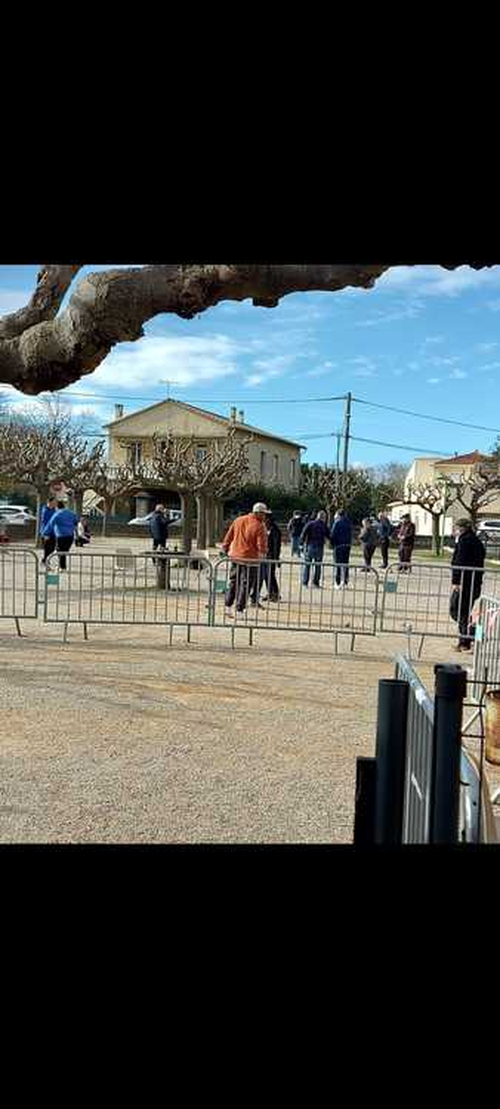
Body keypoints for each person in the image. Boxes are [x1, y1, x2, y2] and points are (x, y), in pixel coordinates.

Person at [221, 502, 269, 616]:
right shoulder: (260, 525)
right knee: (246, 585)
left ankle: (227, 606)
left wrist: (225, 547)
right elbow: (261, 545)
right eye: (264, 514)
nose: (265, 516)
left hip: (235, 556)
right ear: (258, 513)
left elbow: (229, 535)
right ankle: (240, 609)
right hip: (251, 559)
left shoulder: (238, 520)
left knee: (233, 582)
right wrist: (263, 554)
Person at [451, 518, 485, 652]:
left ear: (463, 528)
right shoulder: (476, 541)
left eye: (457, 528)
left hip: (466, 581)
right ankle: (468, 636)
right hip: (474, 582)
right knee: (462, 611)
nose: (455, 530)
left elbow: (459, 561)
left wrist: (456, 580)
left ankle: (467, 638)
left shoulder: (465, 541)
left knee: (458, 610)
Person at [42, 500, 79, 570]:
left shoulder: (57, 514)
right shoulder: (71, 513)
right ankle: (62, 566)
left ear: (57, 507)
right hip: (70, 535)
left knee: (60, 551)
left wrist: (45, 533)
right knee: (64, 551)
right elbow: (76, 521)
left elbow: (50, 524)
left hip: (61, 535)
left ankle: (62, 566)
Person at [300, 510, 331, 588]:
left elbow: (303, 533)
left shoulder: (310, 523)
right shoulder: (324, 526)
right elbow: (329, 536)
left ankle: (305, 582)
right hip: (319, 547)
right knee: (318, 566)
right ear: (324, 518)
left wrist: (301, 543)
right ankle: (315, 582)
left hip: (310, 545)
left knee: (307, 565)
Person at [257, 511, 282, 602]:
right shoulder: (265, 527)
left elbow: (276, 545)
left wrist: (276, 558)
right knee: (267, 575)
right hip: (265, 555)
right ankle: (271, 593)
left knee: (270, 575)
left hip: (271, 555)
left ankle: (274, 593)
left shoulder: (274, 529)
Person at [330, 509, 352, 588]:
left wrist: (332, 544)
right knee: (345, 564)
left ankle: (338, 582)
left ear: (338, 514)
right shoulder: (349, 523)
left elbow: (333, 534)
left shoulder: (337, 522)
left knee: (338, 564)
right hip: (347, 545)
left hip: (339, 545)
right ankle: (345, 581)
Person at [40, 496, 57, 565]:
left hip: (53, 532)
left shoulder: (54, 510)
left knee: (52, 548)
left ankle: (46, 559)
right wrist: (46, 533)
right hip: (47, 532)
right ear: (50, 502)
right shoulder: (45, 510)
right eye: (54, 502)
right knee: (47, 547)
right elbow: (45, 522)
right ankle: (44, 560)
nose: (55, 503)